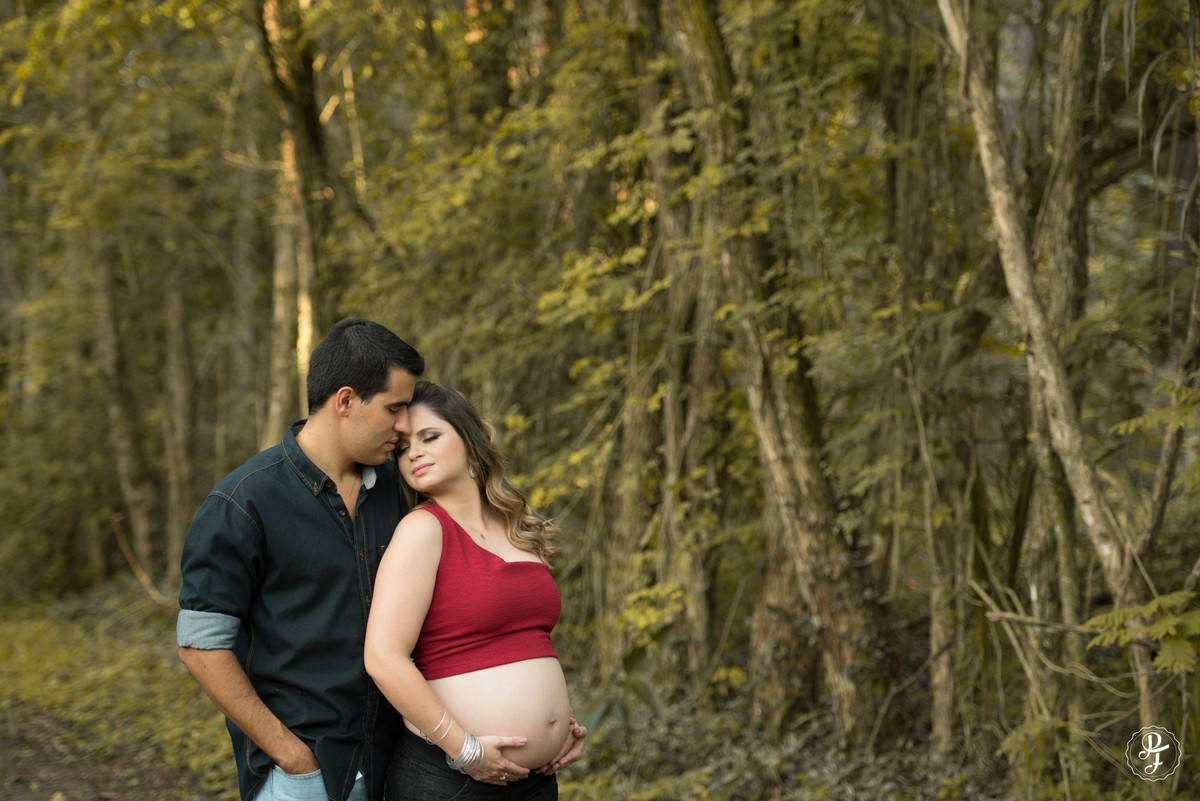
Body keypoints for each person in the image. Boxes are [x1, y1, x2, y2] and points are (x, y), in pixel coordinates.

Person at [177, 318, 425, 801]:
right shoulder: (242, 503)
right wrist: (291, 757)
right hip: (308, 776)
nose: (405, 425)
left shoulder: (401, 490)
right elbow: (200, 647)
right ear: (346, 400)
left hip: (401, 767)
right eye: (394, 408)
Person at [364, 381, 587, 800]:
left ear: (469, 441)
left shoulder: (517, 528)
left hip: (535, 781)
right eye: (403, 446)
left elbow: (524, 641)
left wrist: (561, 723)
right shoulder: (422, 530)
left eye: (430, 437)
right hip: (453, 780)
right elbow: (383, 658)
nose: (414, 452)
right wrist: (465, 751)